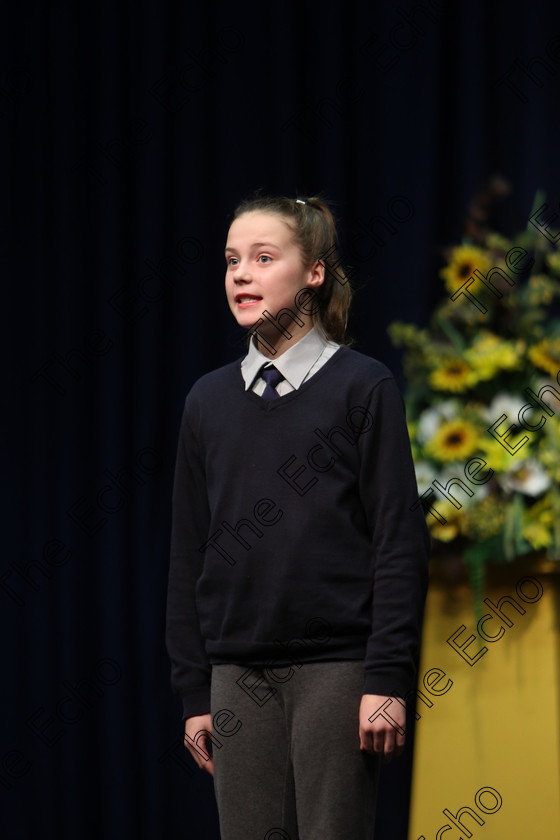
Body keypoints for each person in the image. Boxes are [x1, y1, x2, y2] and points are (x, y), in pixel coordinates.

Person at [166, 194, 430, 840]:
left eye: (262, 258)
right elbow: (186, 555)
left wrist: (387, 677)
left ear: (313, 272)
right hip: (236, 677)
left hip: (336, 674)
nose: (241, 275)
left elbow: (398, 542)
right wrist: (195, 693)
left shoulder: (362, 388)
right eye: (231, 261)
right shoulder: (208, 403)